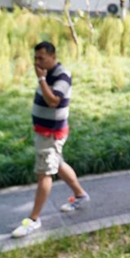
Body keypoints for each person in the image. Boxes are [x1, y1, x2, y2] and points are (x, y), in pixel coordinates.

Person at [11, 41, 90, 238]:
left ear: (53, 57)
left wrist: (41, 80)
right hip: (44, 131)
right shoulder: (46, 74)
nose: (37, 62)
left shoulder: (61, 75)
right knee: (59, 164)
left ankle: (34, 220)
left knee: (44, 174)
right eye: (35, 58)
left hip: (51, 134)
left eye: (41, 58)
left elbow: (53, 101)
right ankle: (80, 195)